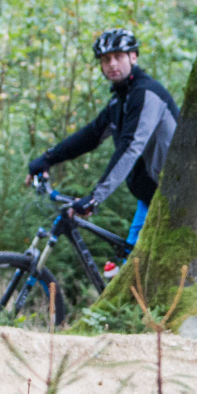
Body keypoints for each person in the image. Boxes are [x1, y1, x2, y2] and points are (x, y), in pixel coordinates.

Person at [24, 30, 178, 249]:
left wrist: (95, 197)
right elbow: (91, 135)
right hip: (150, 198)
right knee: (130, 266)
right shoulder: (120, 101)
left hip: (174, 197)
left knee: (142, 269)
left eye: (118, 57)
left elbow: (130, 146)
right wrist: (48, 158)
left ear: (133, 57)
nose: (112, 64)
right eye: (105, 60)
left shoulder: (146, 94)